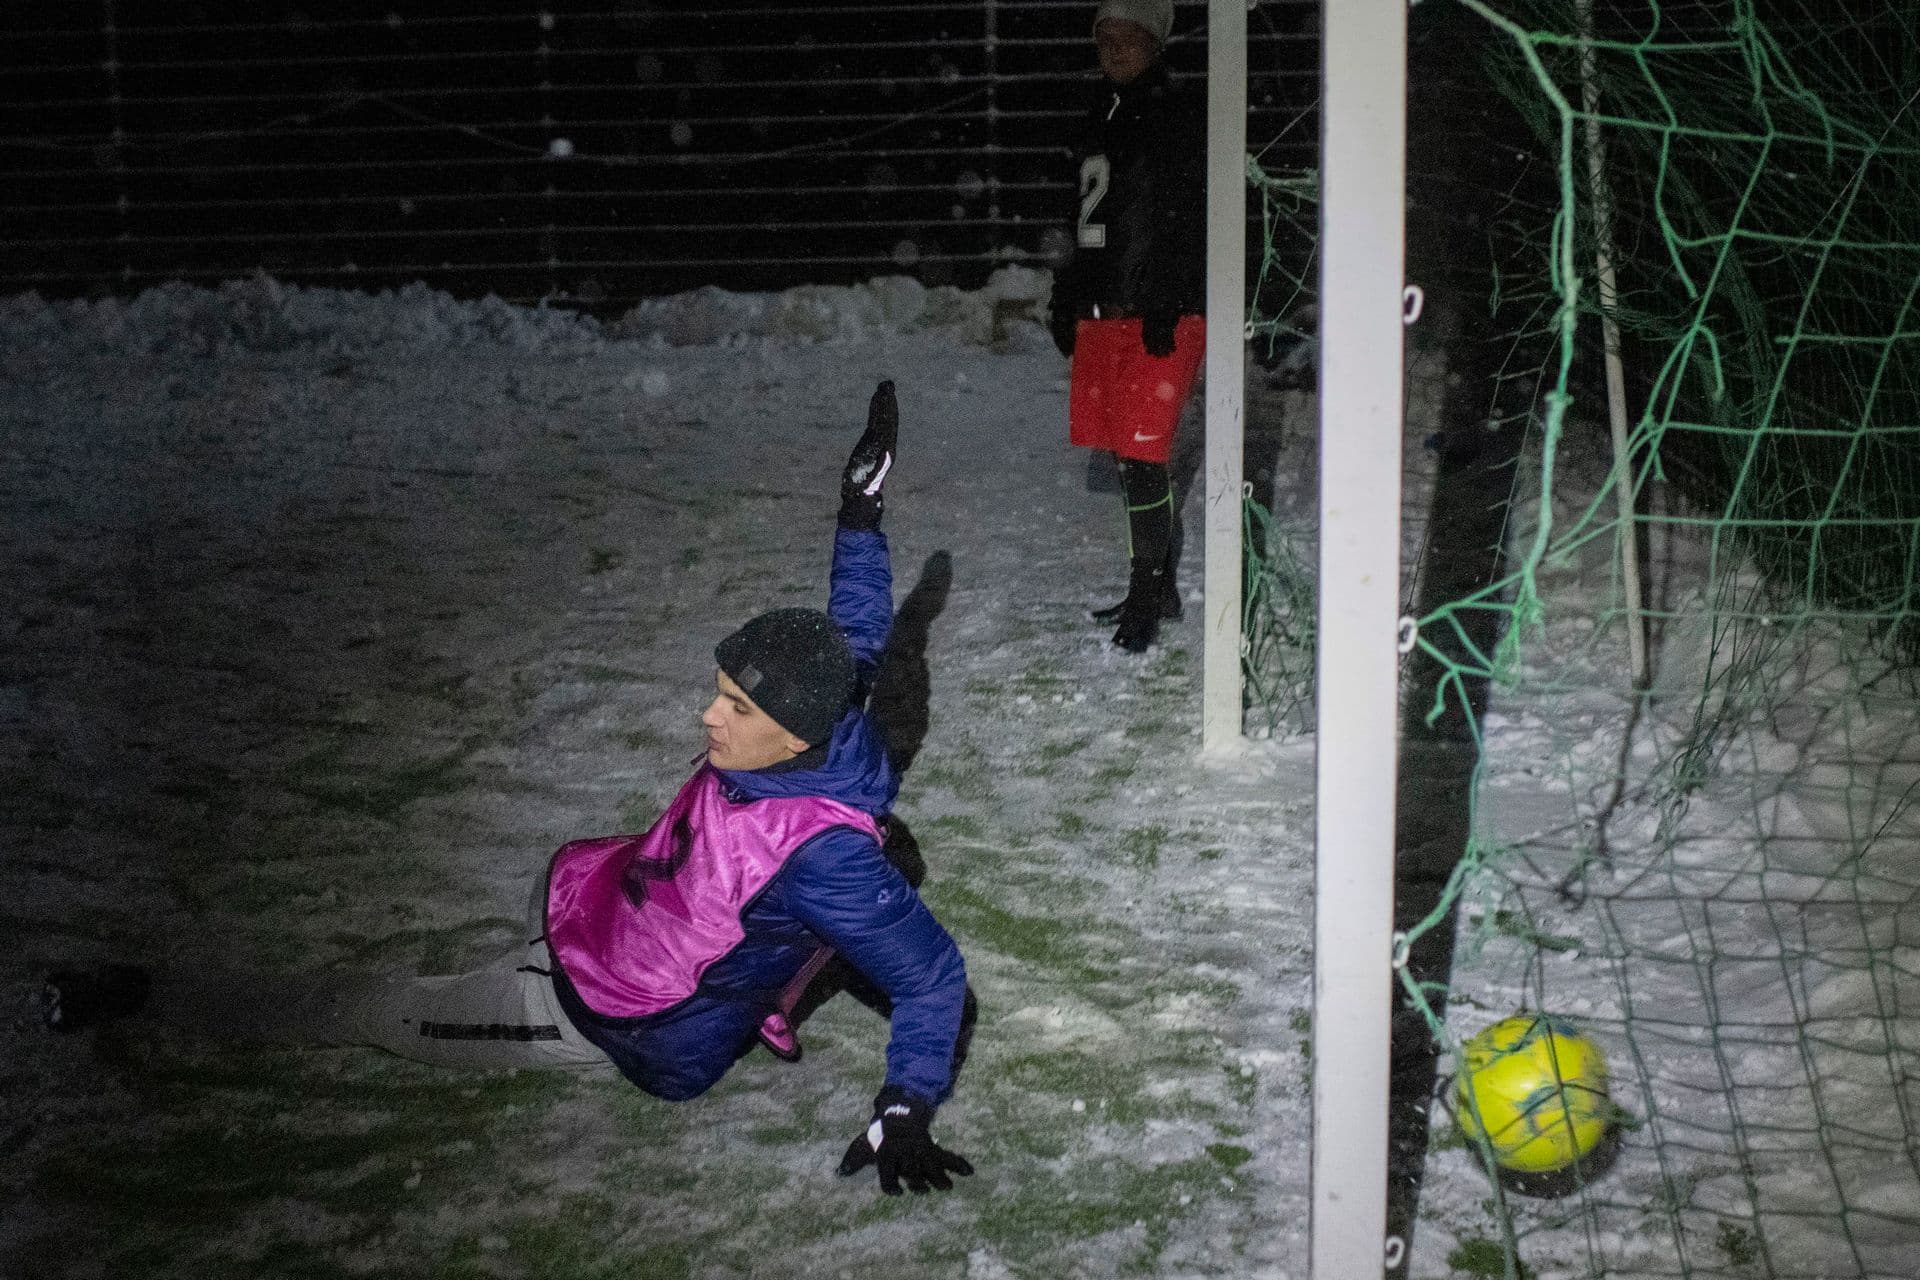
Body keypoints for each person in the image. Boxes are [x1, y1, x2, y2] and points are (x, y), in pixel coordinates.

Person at [42, 381, 976, 1197]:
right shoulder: (830, 706)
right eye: (718, 691)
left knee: (378, 1008)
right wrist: (859, 511)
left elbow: (931, 976)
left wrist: (904, 1104)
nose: (707, 717)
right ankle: (727, 970)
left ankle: (143, 995)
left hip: (603, 1014)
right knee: (820, 883)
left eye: (735, 706)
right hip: (600, 892)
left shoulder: (823, 860)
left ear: (795, 735)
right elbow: (857, 623)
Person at [1047, 0, 1206, 653]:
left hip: (1157, 311)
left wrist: (1170, 296)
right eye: (1105, 39)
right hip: (1105, 309)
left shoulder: (1177, 113)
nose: (1115, 51)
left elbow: (1189, 213)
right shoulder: (1096, 116)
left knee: (1143, 455)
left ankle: (1148, 595)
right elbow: (1080, 218)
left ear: (1155, 42)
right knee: (1123, 455)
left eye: (1129, 38)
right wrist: (1066, 292)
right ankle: (1154, 584)